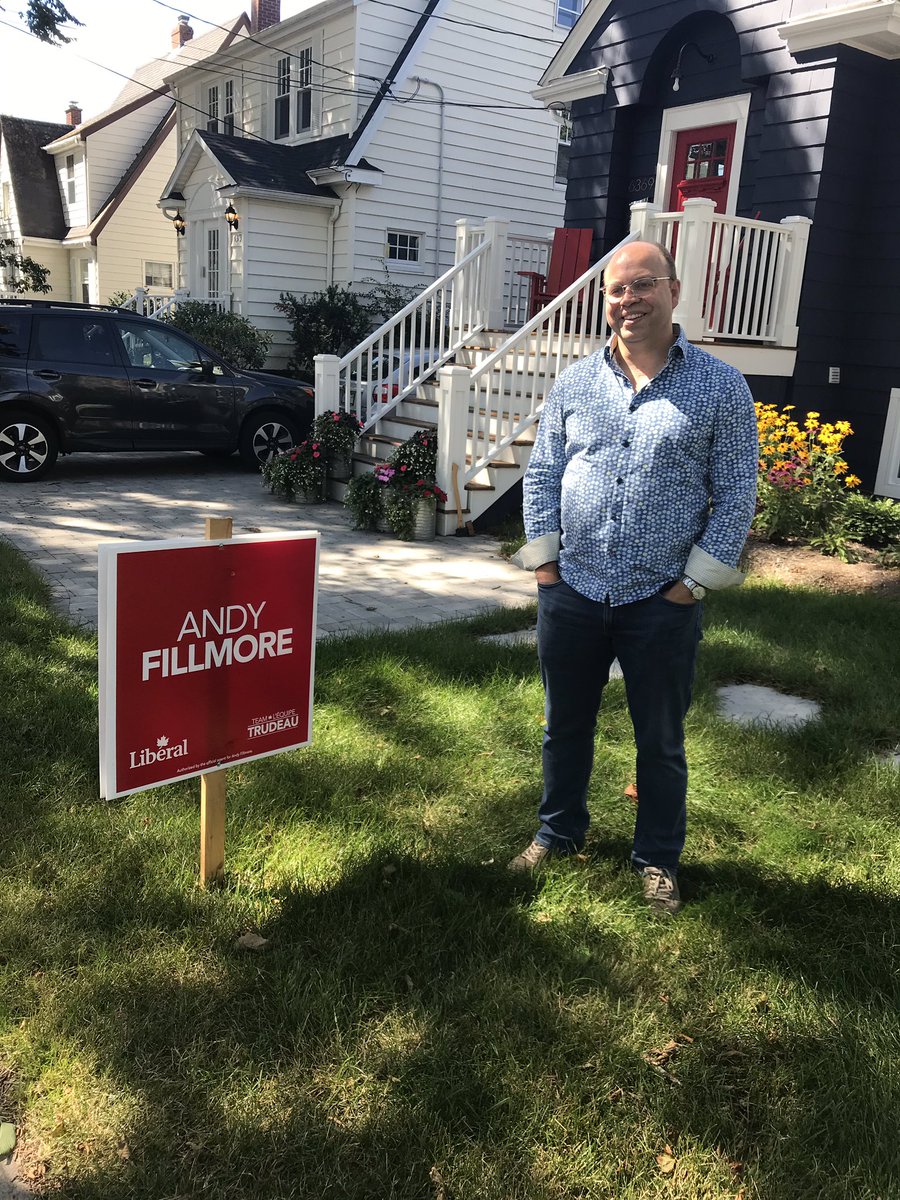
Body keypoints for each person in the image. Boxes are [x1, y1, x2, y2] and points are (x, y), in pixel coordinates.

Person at [509, 240, 758, 914]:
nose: (629, 300)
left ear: (674, 290)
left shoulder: (720, 386)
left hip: (661, 601)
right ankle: (557, 834)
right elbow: (543, 473)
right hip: (575, 593)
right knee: (564, 727)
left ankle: (657, 859)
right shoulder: (575, 382)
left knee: (661, 741)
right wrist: (545, 567)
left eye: (643, 284)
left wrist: (692, 585)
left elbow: (736, 495)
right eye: (617, 289)